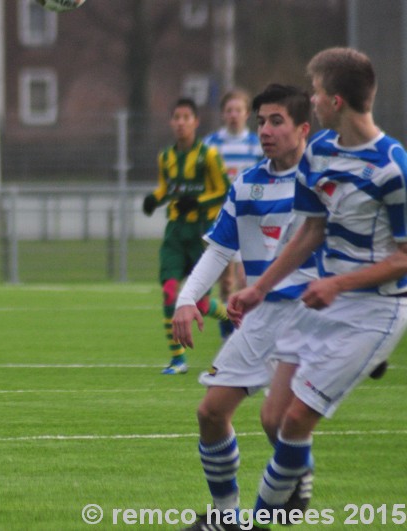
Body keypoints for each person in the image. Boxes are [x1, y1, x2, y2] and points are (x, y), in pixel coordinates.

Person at [229, 47, 407, 529]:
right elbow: (310, 231)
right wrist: (259, 289)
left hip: (374, 310)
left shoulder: (392, 167)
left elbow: (405, 258)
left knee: (294, 422)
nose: (310, 97)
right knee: (272, 418)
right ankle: (290, 501)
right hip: (323, 300)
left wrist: (340, 283)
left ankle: (255, 522)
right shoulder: (322, 152)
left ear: (335, 101)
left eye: (315, 90)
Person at [172, 84, 317, 531]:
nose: (266, 130)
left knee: (278, 422)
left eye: (277, 121)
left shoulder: (323, 181)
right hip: (258, 318)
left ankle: (299, 477)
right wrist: (186, 299)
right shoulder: (248, 183)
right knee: (211, 413)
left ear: (303, 128)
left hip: (309, 317)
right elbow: (219, 249)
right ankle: (226, 515)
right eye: (261, 122)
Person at [142, 97, 230, 375]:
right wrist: (153, 200)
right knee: (169, 292)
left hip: (200, 234)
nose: (180, 123)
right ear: (171, 122)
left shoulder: (209, 156)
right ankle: (178, 359)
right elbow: (166, 189)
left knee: (198, 304)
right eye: (176, 117)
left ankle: (231, 316)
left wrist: (198, 202)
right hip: (175, 234)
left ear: (196, 122)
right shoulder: (165, 156)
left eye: (186, 117)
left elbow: (224, 190)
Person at [204, 89, 264, 339]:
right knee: (226, 282)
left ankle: (246, 333)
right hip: (224, 221)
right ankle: (228, 335)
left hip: (250, 221)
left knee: (245, 280)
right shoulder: (211, 145)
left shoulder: (256, 144)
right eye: (229, 110)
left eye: (238, 110)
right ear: (222, 114)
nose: (233, 115)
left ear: (247, 113)